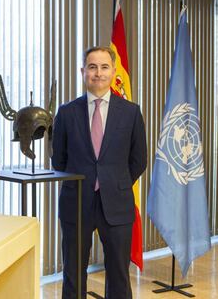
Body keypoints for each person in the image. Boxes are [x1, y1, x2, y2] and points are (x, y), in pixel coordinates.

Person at [52, 46, 147, 298]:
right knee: (73, 273)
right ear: (83, 72)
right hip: (76, 202)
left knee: (118, 274)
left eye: (104, 67)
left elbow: (139, 160)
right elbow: (58, 161)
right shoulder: (66, 112)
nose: (98, 73)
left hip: (117, 204)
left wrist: (114, 183)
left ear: (114, 71)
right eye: (92, 67)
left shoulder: (131, 112)